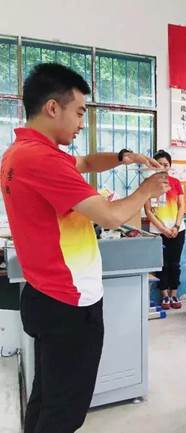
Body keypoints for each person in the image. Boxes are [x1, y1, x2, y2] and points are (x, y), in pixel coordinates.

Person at [1, 63, 168, 433]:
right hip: (69, 304)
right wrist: (147, 189)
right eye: (78, 113)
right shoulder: (43, 161)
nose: (81, 123)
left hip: (45, 294)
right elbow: (110, 216)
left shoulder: (21, 153)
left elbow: (88, 162)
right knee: (64, 413)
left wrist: (125, 156)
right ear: (52, 108)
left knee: (47, 396)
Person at [144, 150, 186, 310]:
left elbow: (182, 206)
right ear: (153, 166)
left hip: (178, 230)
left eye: (166, 164)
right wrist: (163, 229)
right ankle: (165, 296)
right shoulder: (147, 184)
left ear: (170, 166)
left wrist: (176, 226)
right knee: (161, 264)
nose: (162, 167)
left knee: (175, 264)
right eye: (159, 164)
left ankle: (174, 294)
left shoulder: (175, 182)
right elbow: (148, 211)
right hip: (157, 232)